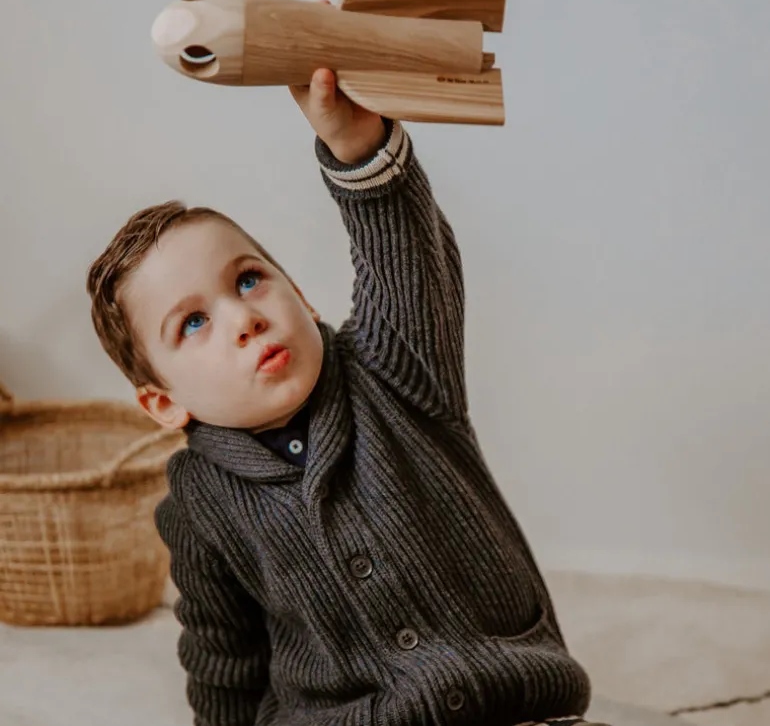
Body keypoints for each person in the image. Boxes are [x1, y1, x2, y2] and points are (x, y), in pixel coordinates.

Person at [86, 67, 608, 726]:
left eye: (249, 281)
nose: (243, 318)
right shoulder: (199, 504)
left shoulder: (394, 371)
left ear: (299, 295)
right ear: (164, 403)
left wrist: (360, 151)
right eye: (193, 323)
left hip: (512, 702)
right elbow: (225, 663)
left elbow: (406, 263)